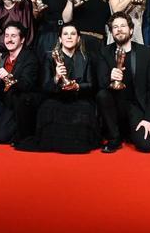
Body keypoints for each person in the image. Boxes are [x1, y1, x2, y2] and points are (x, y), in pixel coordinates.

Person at [17, 24, 101, 153]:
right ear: (60, 39)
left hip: (79, 98)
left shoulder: (86, 58)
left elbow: (91, 84)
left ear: (78, 38)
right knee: (48, 108)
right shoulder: (49, 57)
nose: (69, 37)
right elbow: (44, 86)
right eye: (65, 34)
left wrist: (77, 86)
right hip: (56, 98)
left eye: (73, 34)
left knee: (85, 109)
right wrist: (56, 77)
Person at [96, 13, 150, 153]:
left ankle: (130, 132)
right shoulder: (104, 52)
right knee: (102, 94)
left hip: (136, 106)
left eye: (123, 26)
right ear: (111, 32)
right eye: (115, 27)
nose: (119, 29)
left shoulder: (146, 53)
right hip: (114, 106)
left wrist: (149, 118)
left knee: (146, 146)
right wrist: (109, 78)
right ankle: (114, 138)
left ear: (131, 30)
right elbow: (100, 83)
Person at [0, 21, 41, 143]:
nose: (9, 39)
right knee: (1, 137)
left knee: (4, 137)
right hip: (7, 103)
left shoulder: (30, 57)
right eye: (6, 35)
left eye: (13, 36)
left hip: (23, 103)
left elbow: (27, 84)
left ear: (22, 40)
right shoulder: (3, 58)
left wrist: (9, 77)